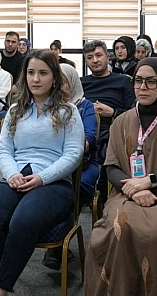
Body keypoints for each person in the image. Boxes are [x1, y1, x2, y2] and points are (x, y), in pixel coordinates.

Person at [84, 58, 157, 296]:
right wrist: (135, 190)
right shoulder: (121, 121)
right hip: (127, 192)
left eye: (151, 81)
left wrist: (150, 181)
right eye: (138, 81)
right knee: (119, 228)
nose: (143, 87)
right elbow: (111, 167)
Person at [0, 49, 85, 296]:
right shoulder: (15, 110)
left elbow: (73, 154)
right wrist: (11, 173)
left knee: (22, 221)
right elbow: (3, 150)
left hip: (53, 182)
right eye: (31, 72)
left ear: (54, 78)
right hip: (16, 176)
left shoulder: (68, 111)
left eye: (43, 73)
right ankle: (3, 279)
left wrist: (42, 178)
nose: (36, 79)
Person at [41, 63, 98, 271]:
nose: (59, 86)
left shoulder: (85, 107)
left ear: (73, 82)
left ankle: (57, 244)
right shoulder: (45, 105)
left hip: (83, 165)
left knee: (73, 187)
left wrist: (69, 151)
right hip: (50, 164)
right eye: (56, 81)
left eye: (64, 82)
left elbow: (90, 137)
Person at [80, 40, 135, 216]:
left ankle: (103, 198)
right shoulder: (81, 83)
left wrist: (112, 112)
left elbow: (134, 114)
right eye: (90, 57)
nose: (95, 60)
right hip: (83, 130)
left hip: (113, 130)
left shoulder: (123, 81)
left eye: (98, 55)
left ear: (108, 57)